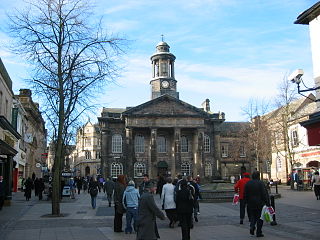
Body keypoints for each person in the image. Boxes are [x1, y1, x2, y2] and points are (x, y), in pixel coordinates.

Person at [244, 171, 270, 238]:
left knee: (252, 216)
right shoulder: (260, 183)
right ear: (258, 176)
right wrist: (267, 202)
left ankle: (252, 226)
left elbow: (245, 194)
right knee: (260, 217)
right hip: (260, 203)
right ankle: (259, 232)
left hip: (250, 203)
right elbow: (264, 194)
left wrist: (246, 202)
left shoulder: (248, 183)